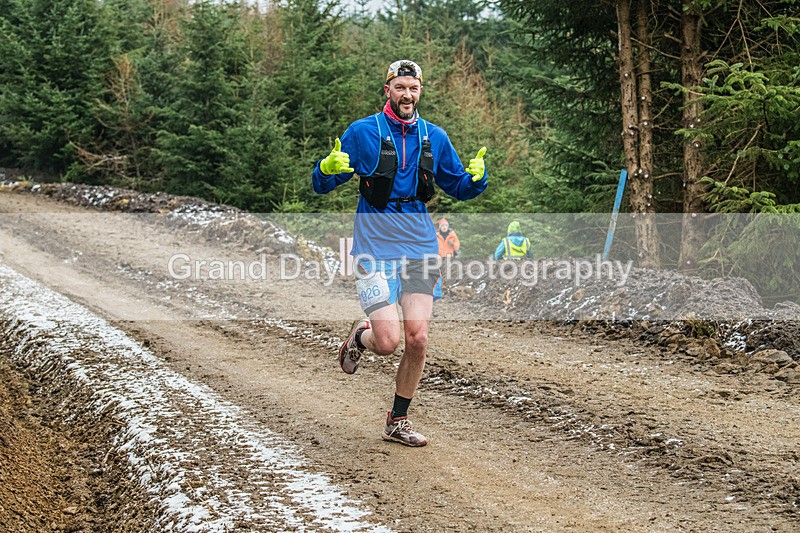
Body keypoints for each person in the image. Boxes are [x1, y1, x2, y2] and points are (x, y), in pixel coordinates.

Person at [312, 59, 488, 447]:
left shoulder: (433, 136)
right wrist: (326, 169)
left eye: (414, 87)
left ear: (420, 90)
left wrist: (476, 179)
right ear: (387, 90)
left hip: (420, 245)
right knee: (388, 341)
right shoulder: (363, 132)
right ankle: (360, 338)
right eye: (400, 87)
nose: (407, 94)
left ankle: (398, 419)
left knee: (418, 338)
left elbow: (457, 185)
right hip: (375, 246)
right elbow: (323, 184)